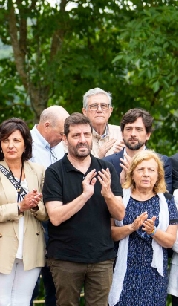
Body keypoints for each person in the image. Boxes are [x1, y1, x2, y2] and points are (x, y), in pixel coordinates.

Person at [43, 113, 124, 306]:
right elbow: (54, 217)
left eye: (86, 135)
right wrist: (85, 195)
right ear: (65, 138)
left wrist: (108, 195)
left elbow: (120, 213)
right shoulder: (54, 172)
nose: (82, 140)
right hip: (65, 259)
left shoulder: (106, 169)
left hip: (102, 258)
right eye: (76, 135)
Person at [0, 118, 47, 306]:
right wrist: (19, 207)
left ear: (26, 144)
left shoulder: (39, 171)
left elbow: (47, 213)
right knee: (0, 302)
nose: (10, 145)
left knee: (22, 302)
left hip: (30, 244)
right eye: (5, 140)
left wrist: (35, 205)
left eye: (16, 140)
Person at [108, 150, 178, 306]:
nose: (146, 174)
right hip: (123, 270)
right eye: (141, 169)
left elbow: (170, 241)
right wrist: (131, 227)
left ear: (158, 175)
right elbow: (111, 234)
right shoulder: (120, 198)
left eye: (151, 170)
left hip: (154, 275)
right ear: (132, 174)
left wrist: (153, 231)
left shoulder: (167, 201)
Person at [29, 106, 68, 306]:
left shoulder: (61, 147)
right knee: (30, 285)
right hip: (32, 221)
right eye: (62, 132)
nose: (64, 137)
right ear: (46, 126)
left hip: (57, 222)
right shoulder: (25, 143)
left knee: (56, 283)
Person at [103, 108, 172, 191]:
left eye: (138, 129)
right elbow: (101, 200)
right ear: (122, 133)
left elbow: (165, 198)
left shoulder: (162, 162)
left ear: (148, 135)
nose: (133, 134)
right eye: (129, 129)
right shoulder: (107, 163)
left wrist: (131, 181)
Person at [81, 88, 123, 158]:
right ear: (85, 112)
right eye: (94, 106)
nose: (99, 110)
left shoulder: (121, 134)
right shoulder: (77, 136)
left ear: (110, 111)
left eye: (103, 106)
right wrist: (99, 156)